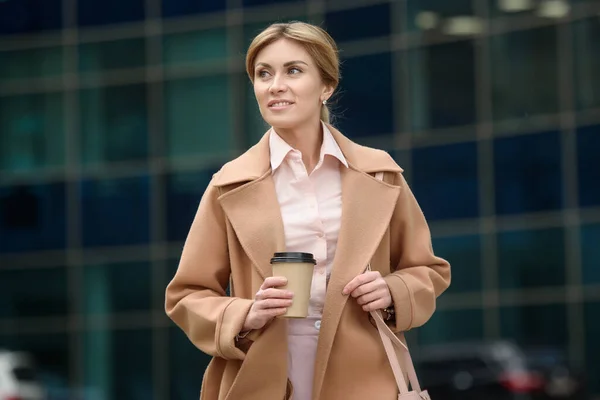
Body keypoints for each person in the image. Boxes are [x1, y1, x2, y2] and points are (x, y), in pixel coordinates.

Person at [165, 21, 451, 400]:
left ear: (326, 87)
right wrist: (244, 315)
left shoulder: (378, 172)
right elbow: (187, 294)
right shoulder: (228, 184)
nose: (275, 85)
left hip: (364, 378)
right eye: (263, 74)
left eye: (293, 71)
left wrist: (392, 290)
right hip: (262, 376)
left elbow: (428, 270)